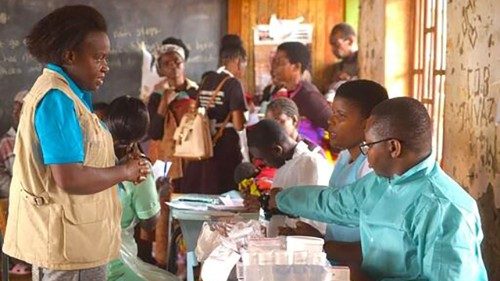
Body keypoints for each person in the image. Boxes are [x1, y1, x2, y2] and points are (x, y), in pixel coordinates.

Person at [2, 5, 149, 281]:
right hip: (70, 249)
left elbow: (82, 161)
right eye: (98, 58)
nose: (105, 66)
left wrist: (121, 165)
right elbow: (69, 177)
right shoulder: (56, 99)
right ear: (70, 56)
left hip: (76, 239)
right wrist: (125, 172)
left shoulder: (72, 94)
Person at [270, 97, 488, 280]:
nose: (365, 154)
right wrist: (280, 199)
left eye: (369, 145)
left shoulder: (444, 210)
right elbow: (335, 203)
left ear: (393, 147)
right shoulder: (381, 182)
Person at [105, 96, 179, 281]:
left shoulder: (85, 160)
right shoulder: (139, 169)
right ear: (142, 133)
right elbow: (149, 222)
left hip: (83, 261)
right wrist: (156, 191)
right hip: (117, 266)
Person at [181, 34, 247, 195]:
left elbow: (197, 109)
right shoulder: (233, 84)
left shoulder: (208, 79)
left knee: (205, 188)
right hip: (225, 144)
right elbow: (239, 124)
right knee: (224, 191)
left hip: (204, 142)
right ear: (238, 61)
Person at [246, 119, 332, 237]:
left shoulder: (309, 163)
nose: (263, 164)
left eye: (263, 158)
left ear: (277, 150)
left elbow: (309, 214)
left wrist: (269, 204)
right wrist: (263, 204)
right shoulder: (284, 165)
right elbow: (284, 207)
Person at [271, 41, 332, 148]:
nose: (274, 67)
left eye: (279, 63)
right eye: (274, 62)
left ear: (296, 67)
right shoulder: (285, 93)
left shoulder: (309, 96)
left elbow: (332, 125)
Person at [0, 90, 28, 198]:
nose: (15, 113)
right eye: (14, 109)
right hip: (17, 201)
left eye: (20, 109)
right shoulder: (6, 143)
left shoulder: (41, 139)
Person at [326, 23, 359, 95]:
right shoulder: (339, 66)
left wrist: (348, 79)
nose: (333, 49)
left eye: (336, 44)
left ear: (350, 41)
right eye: (332, 45)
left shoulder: (363, 63)